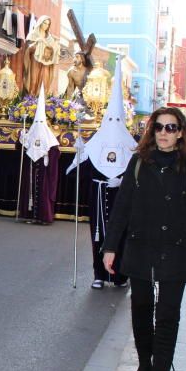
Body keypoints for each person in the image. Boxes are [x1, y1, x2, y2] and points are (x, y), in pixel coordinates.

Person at [102, 107, 186, 371]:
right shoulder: (139, 163)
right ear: (152, 131)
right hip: (140, 248)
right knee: (140, 309)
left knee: (167, 317)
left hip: (174, 251)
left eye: (171, 128)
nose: (163, 133)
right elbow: (122, 208)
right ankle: (144, 364)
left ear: (181, 133)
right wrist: (111, 247)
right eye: (159, 127)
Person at [66, 56, 135, 289]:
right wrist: (78, 154)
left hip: (121, 199)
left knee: (121, 238)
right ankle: (99, 275)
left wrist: (123, 181)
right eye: (111, 119)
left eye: (118, 119)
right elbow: (77, 173)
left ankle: (119, 276)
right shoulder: (95, 143)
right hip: (97, 195)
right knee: (97, 237)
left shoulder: (131, 147)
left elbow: (139, 175)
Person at [18, 84, 60, 225]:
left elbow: (55, 151)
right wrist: (22, 140)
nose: (39, 124)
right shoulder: (31, 132)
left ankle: (44, 217)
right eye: (37, 121)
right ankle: (29, 215)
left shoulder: (49, 136)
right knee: (29, 190)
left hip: (43, 169)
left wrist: (48, 154)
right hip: (31, 168)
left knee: (43, 192)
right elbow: (22, 149)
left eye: (41, 122)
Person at [25, 16, 61, 97]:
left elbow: (52, 49)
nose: (46, 26)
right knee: (33, 81)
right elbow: (28, 48)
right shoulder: (33, 34)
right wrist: (37, 43)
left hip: (46, 64)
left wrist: (55, 47)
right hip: (35, 61)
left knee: (45, 81)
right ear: (40, 23)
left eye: (48, 24)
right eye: (44, 23)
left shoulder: (50, 38)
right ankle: (31, 100)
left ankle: (42, 100)